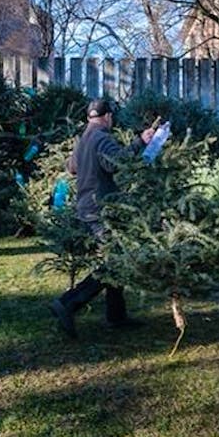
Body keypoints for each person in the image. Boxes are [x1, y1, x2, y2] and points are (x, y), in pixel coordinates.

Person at [48, 98, 155, 338]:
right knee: (116, 262)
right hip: (101, 210)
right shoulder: (103, 138)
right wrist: (141, 141)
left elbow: (71, 168)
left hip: (85, 208)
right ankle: (68, 303)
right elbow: (116, 162)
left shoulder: (84, 138)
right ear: (107, 117)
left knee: (114, 257)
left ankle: (116, 317)